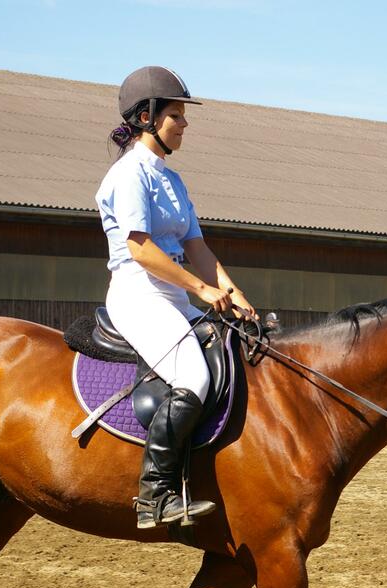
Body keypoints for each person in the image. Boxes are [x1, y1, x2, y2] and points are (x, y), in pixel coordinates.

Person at [96, 66, 258, 529]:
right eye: (175, 115)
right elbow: (140, 248)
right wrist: (203, 290)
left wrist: (234, 293)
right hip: (138, 294)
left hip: (174, 294)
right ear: (146, 118)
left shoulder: (172, 180)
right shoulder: (128, 175)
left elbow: (197, 249)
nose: (184, 124)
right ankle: (155, 496)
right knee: (193, 375)